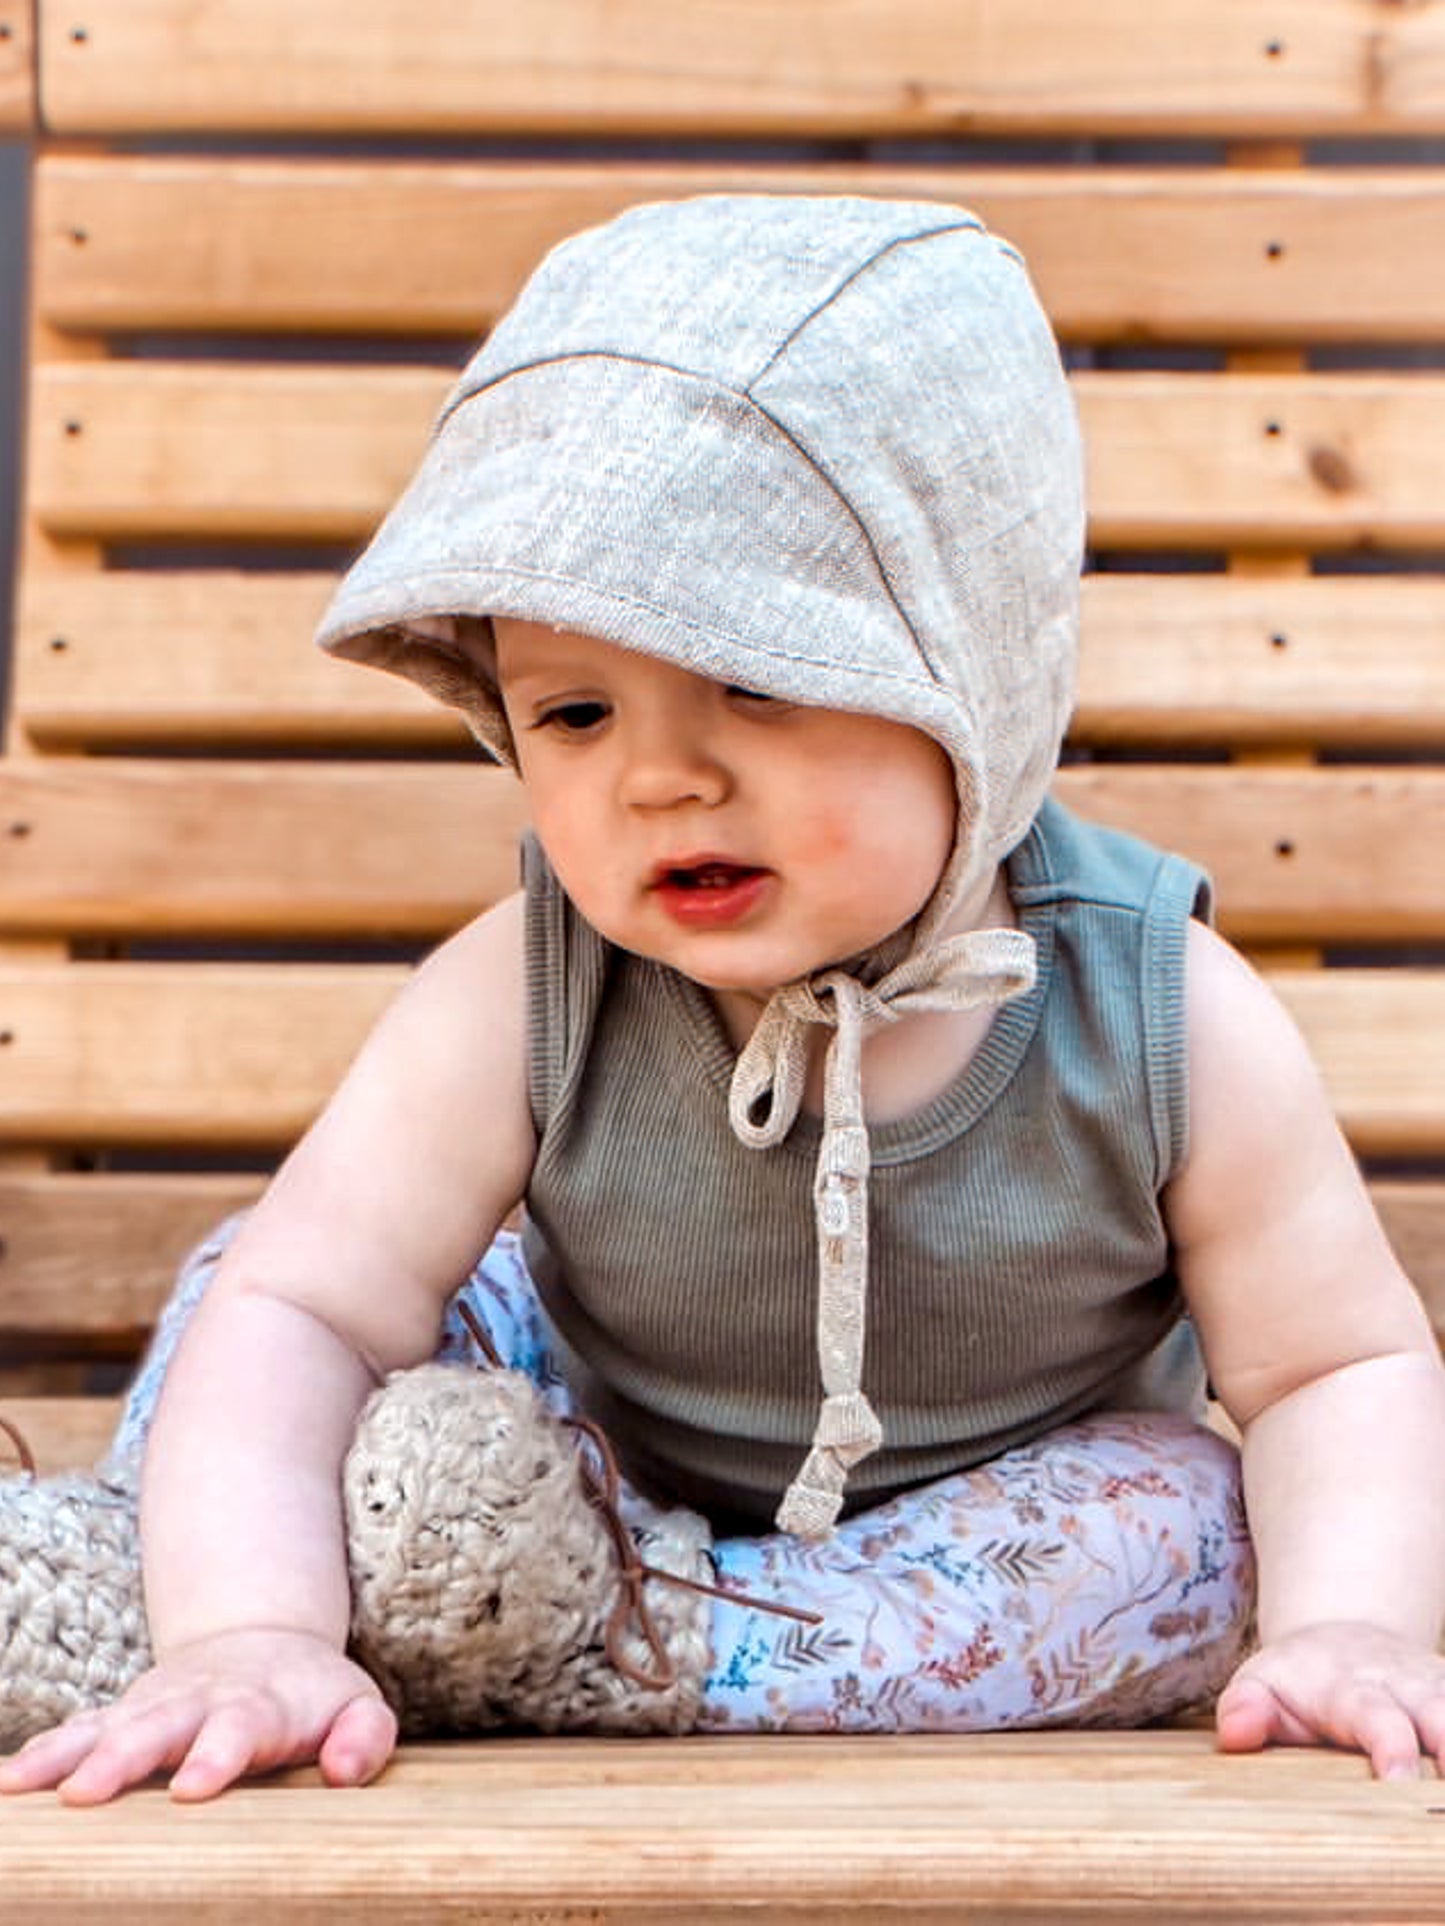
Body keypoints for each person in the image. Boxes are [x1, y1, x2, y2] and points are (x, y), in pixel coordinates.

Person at [2, 195, 1443, 1806]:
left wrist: (1354, 1623)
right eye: (574, 709)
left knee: (1186, 1520)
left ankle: (622, 1645)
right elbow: (314, 1307)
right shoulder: (527, 986)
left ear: (968, 677)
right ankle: (190, 1612)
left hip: (943, 1533)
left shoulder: (1160, 1008)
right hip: (551, 1460)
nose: (663, 777)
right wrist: (249, 1623)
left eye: (757, 681)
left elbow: (1333, 1367)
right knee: (260, 1294)